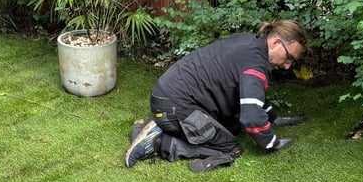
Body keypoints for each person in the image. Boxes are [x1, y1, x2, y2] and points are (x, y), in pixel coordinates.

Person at [125, 20, 310, 173]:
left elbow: (252, 97)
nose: (287, 66)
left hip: (168, 97)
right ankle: (158, 143)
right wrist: (272, 143)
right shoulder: (255, 64)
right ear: (276, 43)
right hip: (175, 107)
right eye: (289, 58)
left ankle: (156, 126)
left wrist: (275, 118)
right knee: (231, 148)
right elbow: (252, 118)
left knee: (232, 127)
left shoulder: (250, 43)